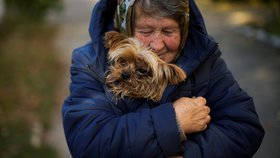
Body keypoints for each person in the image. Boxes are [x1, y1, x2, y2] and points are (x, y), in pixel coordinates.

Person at [62, 0, 264, 157]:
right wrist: (174, 120)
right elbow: (88, 144)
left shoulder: (204, 58)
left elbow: (244, 129)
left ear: (183, 30)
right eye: (145, 31)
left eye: (169, 31)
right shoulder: (89, 61)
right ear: (124, 29)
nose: (157, 45)